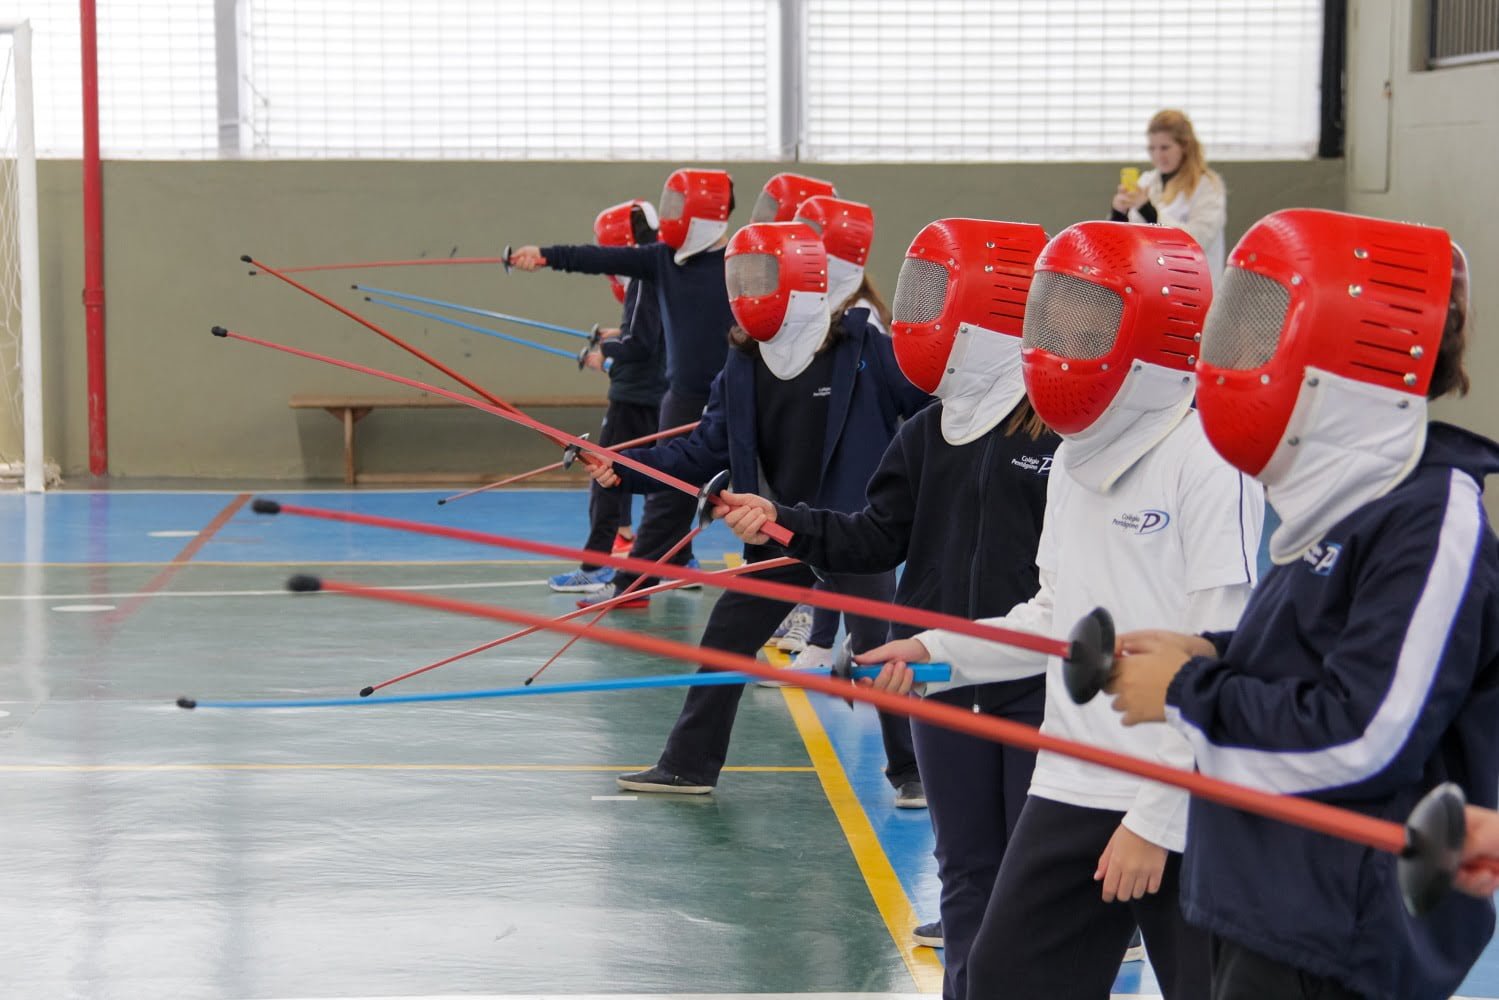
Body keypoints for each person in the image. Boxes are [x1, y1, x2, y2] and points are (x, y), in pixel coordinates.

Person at [856, 220, 1264, 999]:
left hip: (1179, 800)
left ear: (1153, 332)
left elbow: (1225, 652)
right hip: (1072, 780)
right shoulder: (1078, 449)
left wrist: (1155, 817)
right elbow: (1055, 618)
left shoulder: (1207, 457)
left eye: (1087, 328)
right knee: (1003, 981)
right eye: (1050, 323)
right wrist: (937, 650)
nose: (1056, 347)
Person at [1105, 210, 1499, 1000]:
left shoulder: (1428, 518)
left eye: (1264, 333)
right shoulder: (1344, 499)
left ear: (1338, 359)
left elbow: (1364, 738)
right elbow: (1314, 652)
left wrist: (1188, 695)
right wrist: (1213, 654)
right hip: (1260, 895)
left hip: (1336, 928)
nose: (1235, 359)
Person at [718, 218, 1059, 999]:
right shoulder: (926, 431)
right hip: (936, 680)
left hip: (1036, 682)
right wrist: (776, 519)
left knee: (1028, 875)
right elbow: (873, 536)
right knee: (966, 870)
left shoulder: (1064, 433)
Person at [588, 220, 929, 804]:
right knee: (726, 634)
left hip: (855, 532)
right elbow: (702, 450)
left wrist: (914, 499)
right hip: (777, 530)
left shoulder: (863, 347)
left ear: (802, 278)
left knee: (880, 648)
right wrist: (627, 466)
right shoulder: (743, 360)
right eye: (739, 275)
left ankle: (914, 772)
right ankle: (688, 765)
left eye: (760, 274)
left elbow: (928, 416)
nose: (747, 288)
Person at [509, 168, 737, 606]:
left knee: (762, 497)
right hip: (684, 399)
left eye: (678, 206)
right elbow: (600, 257)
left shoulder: (736, 264)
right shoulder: (661, 259)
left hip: (740, 396)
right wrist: (544, 255)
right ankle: (633, 585)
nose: (671, 215)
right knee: (666, 493)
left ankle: (797, 601)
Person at [547, 199, 668, 592]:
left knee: (605, 473)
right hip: (659, 392)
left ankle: (597, 564)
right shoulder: (662, 271)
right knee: (659, 474)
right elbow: (652, 333)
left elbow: (643, 343)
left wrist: (605, 355)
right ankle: (677, 558)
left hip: (635, 394)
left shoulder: (643, 279)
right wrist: (615, 338)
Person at [1110, 109, 1227, 281]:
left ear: (1184, 146)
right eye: (1152, 148)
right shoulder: (1147, 182)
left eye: (1165, 147)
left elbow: (1198, 241)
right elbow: (1124, 242)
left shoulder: (1207, 186)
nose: (1158, 155)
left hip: (1194, 285)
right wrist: (1118, 212)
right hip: (1151, 283)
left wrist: (1148, 210)